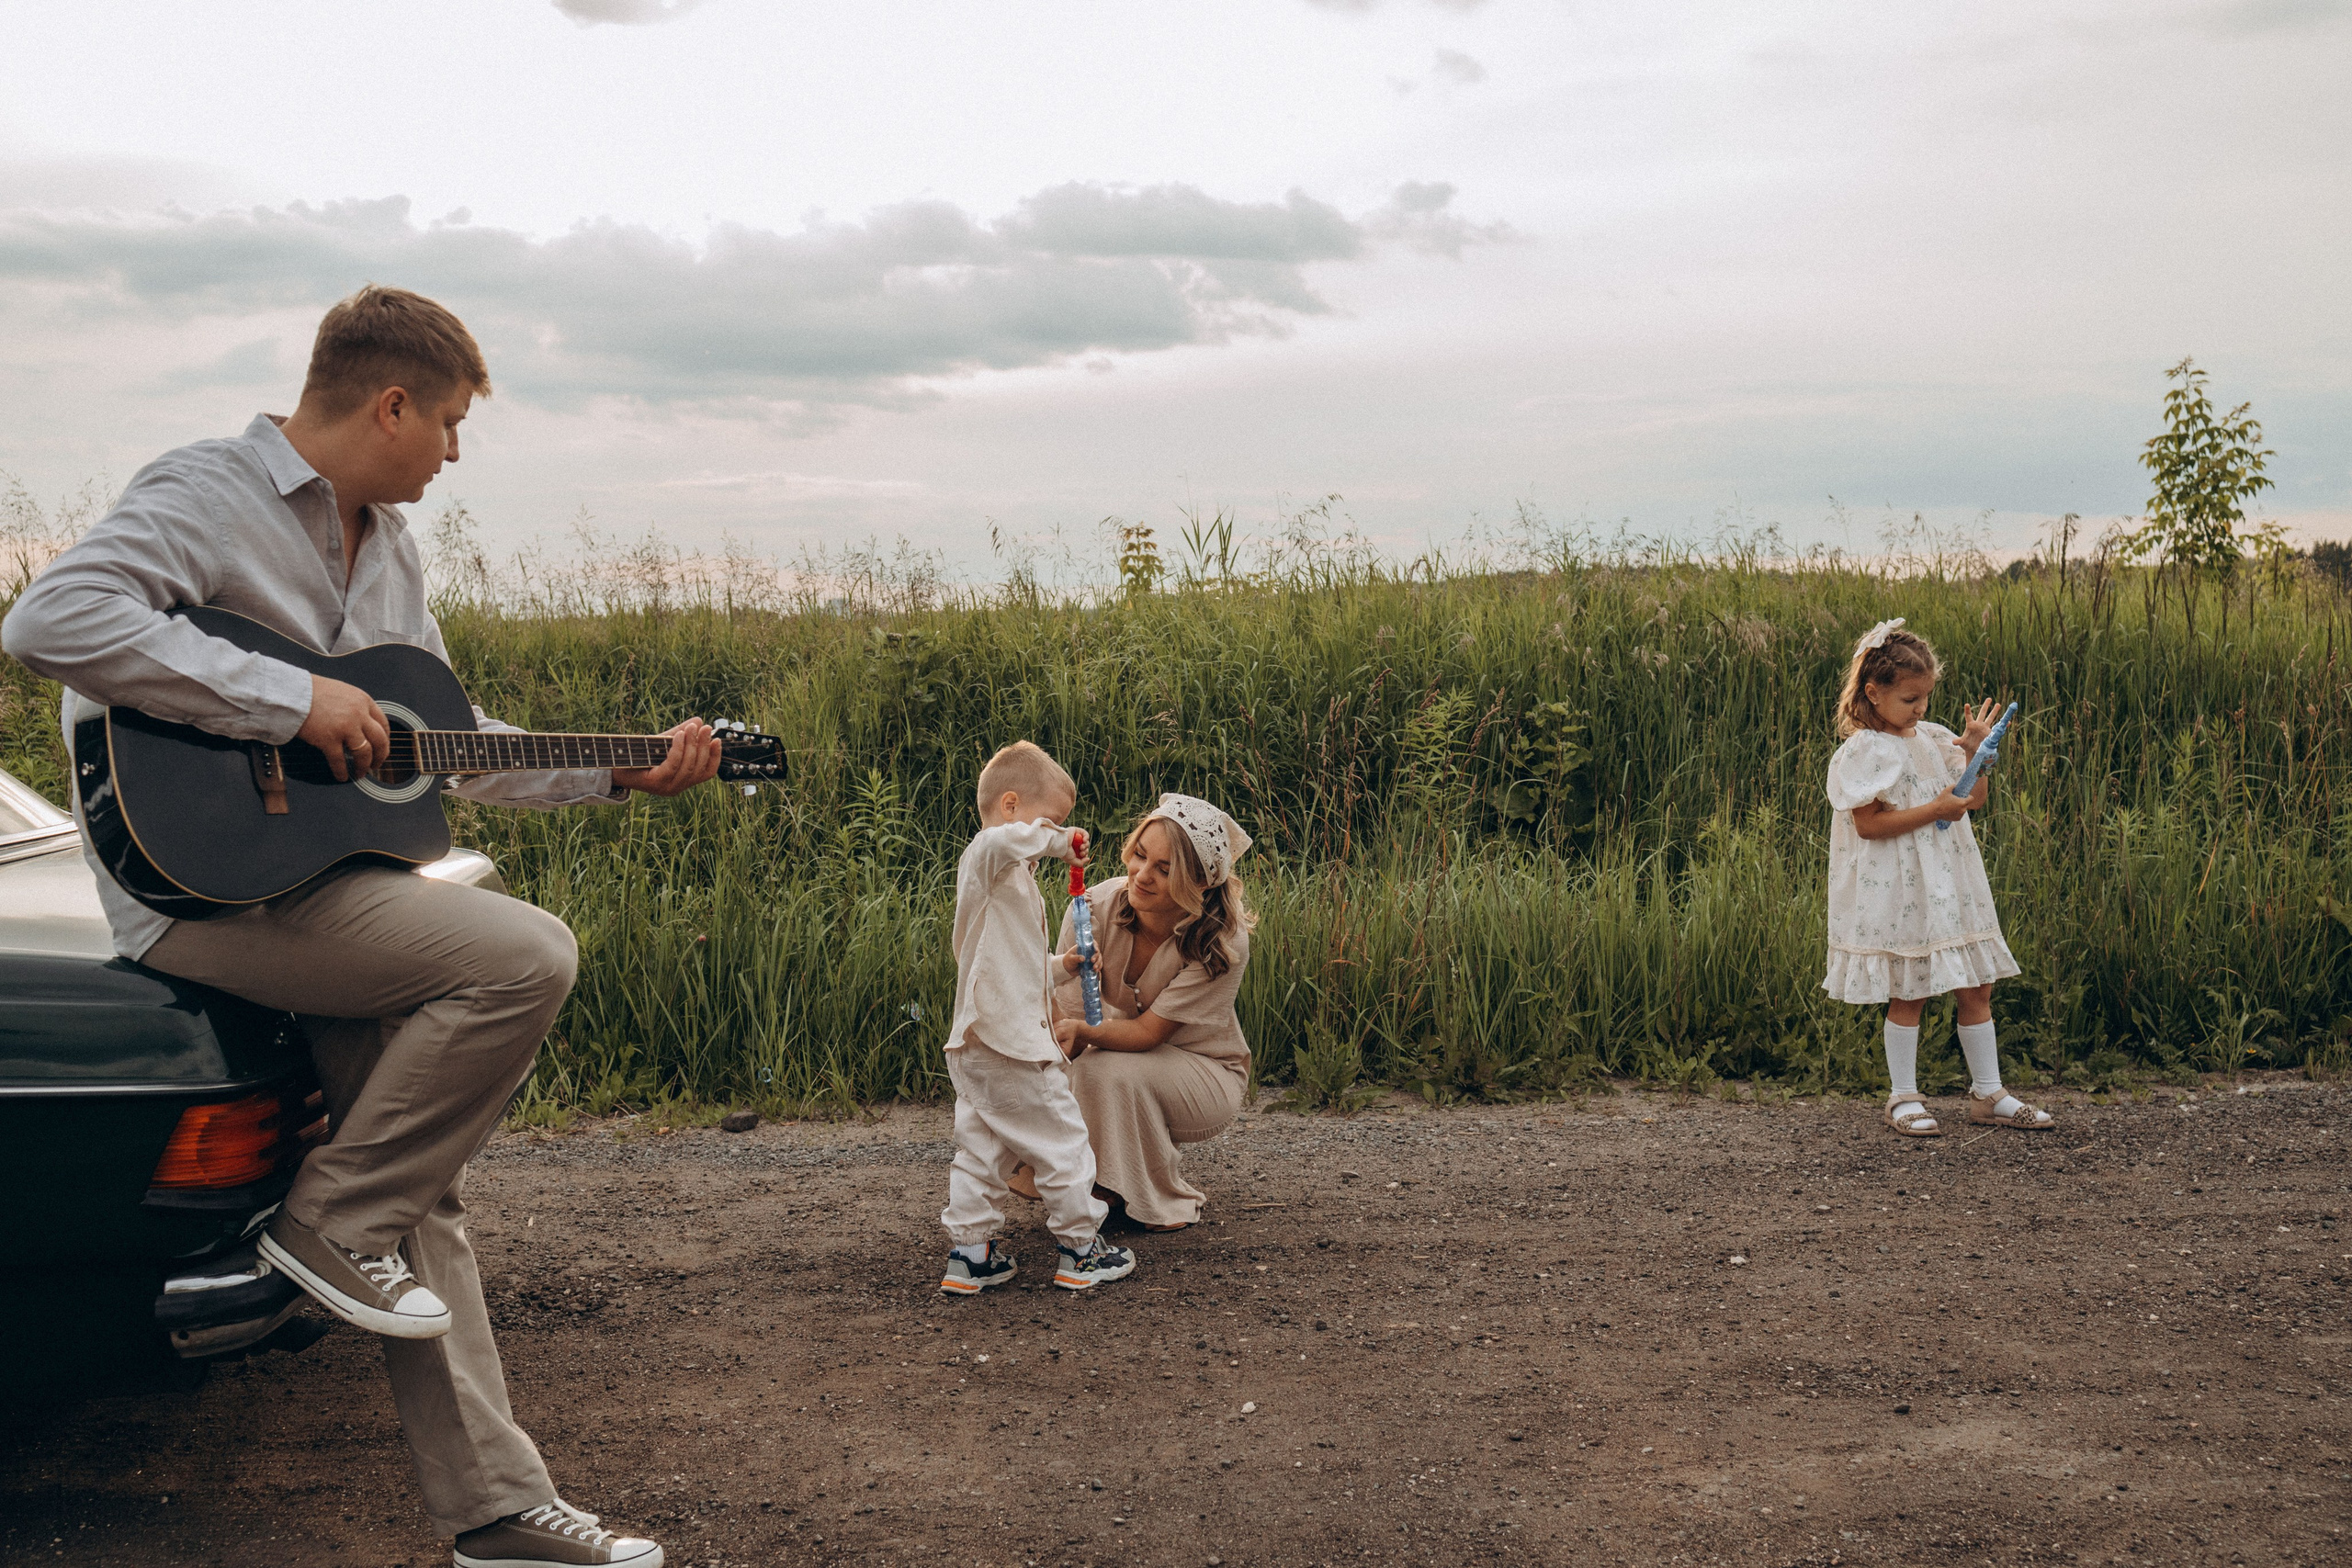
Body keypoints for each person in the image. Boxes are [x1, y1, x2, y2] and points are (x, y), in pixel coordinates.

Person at [1, 286, 718, 1568]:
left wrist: (621, 768)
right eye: (446, 423)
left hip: (318, 889)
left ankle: (496, 1510)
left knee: (420, 1183)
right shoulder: (209, 489)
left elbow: (439, 742)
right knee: (525, 952)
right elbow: (51, 620)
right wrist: (284, 699)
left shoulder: (388, 547)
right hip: (194, 895)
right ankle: (326, 1219)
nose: (452, 450)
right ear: (389, 401)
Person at [1823, 617, 2051, 1138]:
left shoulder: (1929, 737)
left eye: (1926, 696)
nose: (1921, 708)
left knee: (1977, 983)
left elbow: (1970, 802)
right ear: (1873, 693)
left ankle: (1987, 1092)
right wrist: (1934, 808)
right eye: (1909, 699)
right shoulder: (1866, 752)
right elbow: (1869, 825)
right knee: (1911, 988)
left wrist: (1973, 755)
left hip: (1951, 879)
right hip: (1905, 887)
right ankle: (1903, 1095)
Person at [937, 741, 1138, 1295]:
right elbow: (1006, 839)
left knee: (984, 1148)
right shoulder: (986, 854)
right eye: (1049, 819)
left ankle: (970, 1255)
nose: (1057, 834)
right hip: (1012, 1046)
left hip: (979, 1044)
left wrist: (1063, 967)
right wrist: (1063, 842)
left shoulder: (1009, 880)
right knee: (1064, 1141)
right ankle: (1081, 1250)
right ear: (1008, 806)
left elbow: (1012, 965)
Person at [1046, 794, 1256, 1232]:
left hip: (1205, 1072)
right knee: (1052, 1064)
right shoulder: (1094, 908)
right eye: (1140, 855)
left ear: (1201, 883)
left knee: (1103, 1070)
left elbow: (1146, 1034)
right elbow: (1064, 1012)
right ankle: (1083, 1180)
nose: (1141, 876)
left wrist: (1082, 1033)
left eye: (1165, 870)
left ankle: (1153, 1198)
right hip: (1122, 1051)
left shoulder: (1222, 941)